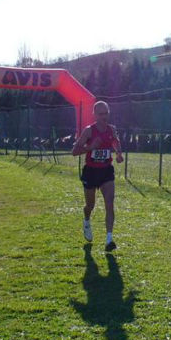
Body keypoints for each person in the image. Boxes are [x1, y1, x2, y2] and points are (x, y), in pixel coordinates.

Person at [71, 101, 124, 251]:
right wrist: (90, 147)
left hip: (106, 171)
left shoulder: (111, 129)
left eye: (106, 113)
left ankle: (109, 240)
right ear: (94, 115)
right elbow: (74, 151)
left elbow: (115, 142)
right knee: (90, 205)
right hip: (91, 172)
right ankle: (87, 220)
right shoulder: (89, 131)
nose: (104, 117)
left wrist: (118, 154)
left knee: (110, 203)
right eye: (101, 114)